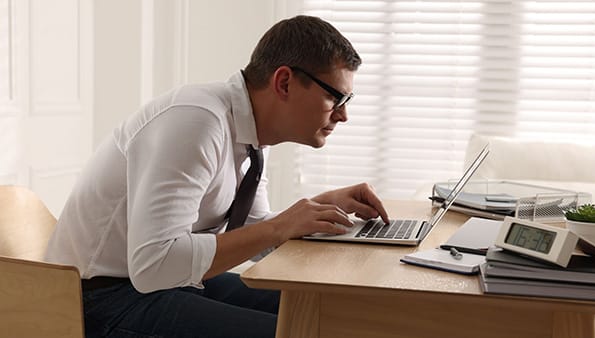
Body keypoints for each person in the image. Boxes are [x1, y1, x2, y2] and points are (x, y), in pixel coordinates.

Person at [45, 15, 390, 338]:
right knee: (297, 330)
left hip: (166, 281)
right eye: (335, 96)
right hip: (97, 299)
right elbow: (153, 264)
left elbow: (252, 233)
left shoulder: (251, 132)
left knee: (328, 313)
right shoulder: (196, 123)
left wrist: (318, 208)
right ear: (284, 82)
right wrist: (282, 224)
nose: (343, 115)